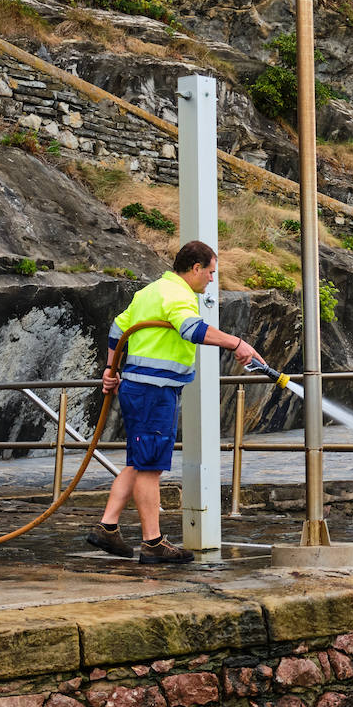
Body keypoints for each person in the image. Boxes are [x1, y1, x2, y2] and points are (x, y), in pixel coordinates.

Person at [85, 240, 262, 564]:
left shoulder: (151, 292)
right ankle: (153, 542)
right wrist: (236, 343)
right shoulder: (178, 295)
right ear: (195, 268)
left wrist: (111, 369)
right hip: (155, 391)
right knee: (150, 467)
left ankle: (107, 527)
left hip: (138, 388)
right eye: (210, 272)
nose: (211, 279)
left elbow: (117, 329)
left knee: (139, 461)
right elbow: (190, 329)